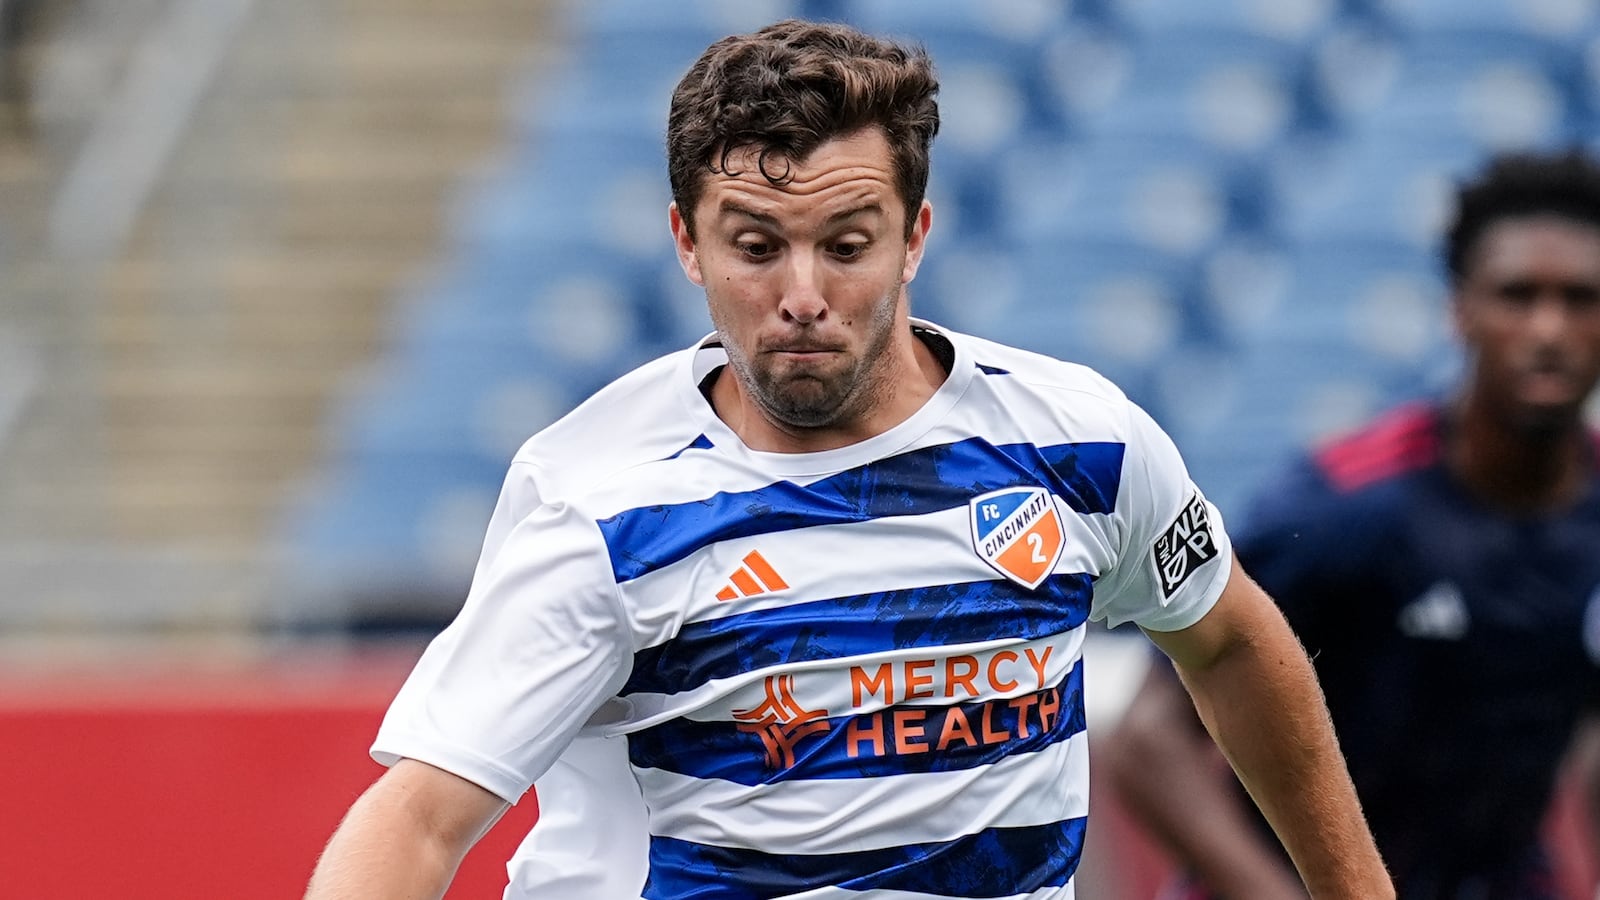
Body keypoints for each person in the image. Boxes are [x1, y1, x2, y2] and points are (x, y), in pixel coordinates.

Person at [304, 19, 1393, 900]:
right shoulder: (600, 504)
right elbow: (416, 821)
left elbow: (1232, 641)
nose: (803, 295)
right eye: (755, 246)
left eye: (848, 244)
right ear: (686, 243)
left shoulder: (1078, 444)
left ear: (916, 234)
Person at [1103, 148, 1600, 900]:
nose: (1548, 329)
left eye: (1580, 299)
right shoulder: (1344, 508)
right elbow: (1148, 740)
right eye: (1518, 296)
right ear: (1460, 310)